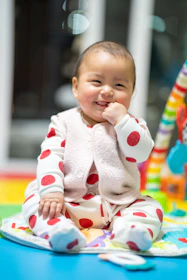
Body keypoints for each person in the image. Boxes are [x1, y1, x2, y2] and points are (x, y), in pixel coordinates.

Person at [22, 41, 163, 253]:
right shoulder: (63, 122)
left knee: (151, 208)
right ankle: (59, 231)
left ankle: (130, 232)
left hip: (119, 203)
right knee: (34, 200)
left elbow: (141, 153)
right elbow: (50, 156)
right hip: (67, 201)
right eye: (96, 81)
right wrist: (52, 193)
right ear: (76, 87)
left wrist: (122, 122)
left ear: (132, 92)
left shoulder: (132, 125)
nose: (107, 91)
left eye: (119, 85)